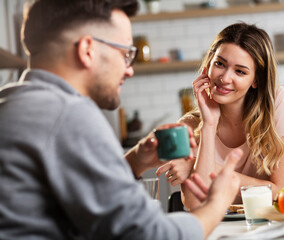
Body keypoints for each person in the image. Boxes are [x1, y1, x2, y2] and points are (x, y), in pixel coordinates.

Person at [0, 0, 242, 239]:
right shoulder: (69, 114)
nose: (129, 70)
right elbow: (150, 235)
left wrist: (134, 162)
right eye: (125, 54)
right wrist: (216, 204)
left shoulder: (13, 101)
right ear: (87, 50)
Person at [156, 23, 284, 210]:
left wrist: (202, 168)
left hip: (272, 224)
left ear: (256, 80)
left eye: (240, 71)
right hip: (218, 228)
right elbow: (195, 204)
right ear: (207, 66)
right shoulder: (189, 126)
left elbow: (283, 191)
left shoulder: (278, 103)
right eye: (219, 64)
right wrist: (209, 125)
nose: (225, 78)